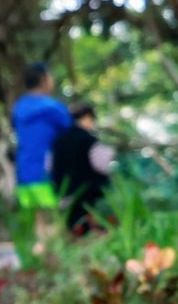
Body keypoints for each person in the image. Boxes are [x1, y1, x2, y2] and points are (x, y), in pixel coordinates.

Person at [11, 61, 73, 249]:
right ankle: (53, 258)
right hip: (48, 172)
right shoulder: (53, 108)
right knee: (57, 219)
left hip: (24, 174)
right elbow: (70, 133)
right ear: (44, 79)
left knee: (38, 223)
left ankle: (40, 256)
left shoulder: (19, 108)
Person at [50, 102, 115, 237]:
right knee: (94, 232)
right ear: (87, 117)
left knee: (74, 232)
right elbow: (101, 165)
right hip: (90, 197)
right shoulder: (89, 140)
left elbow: (49, 166)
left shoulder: (57, 141)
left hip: (65, 196)